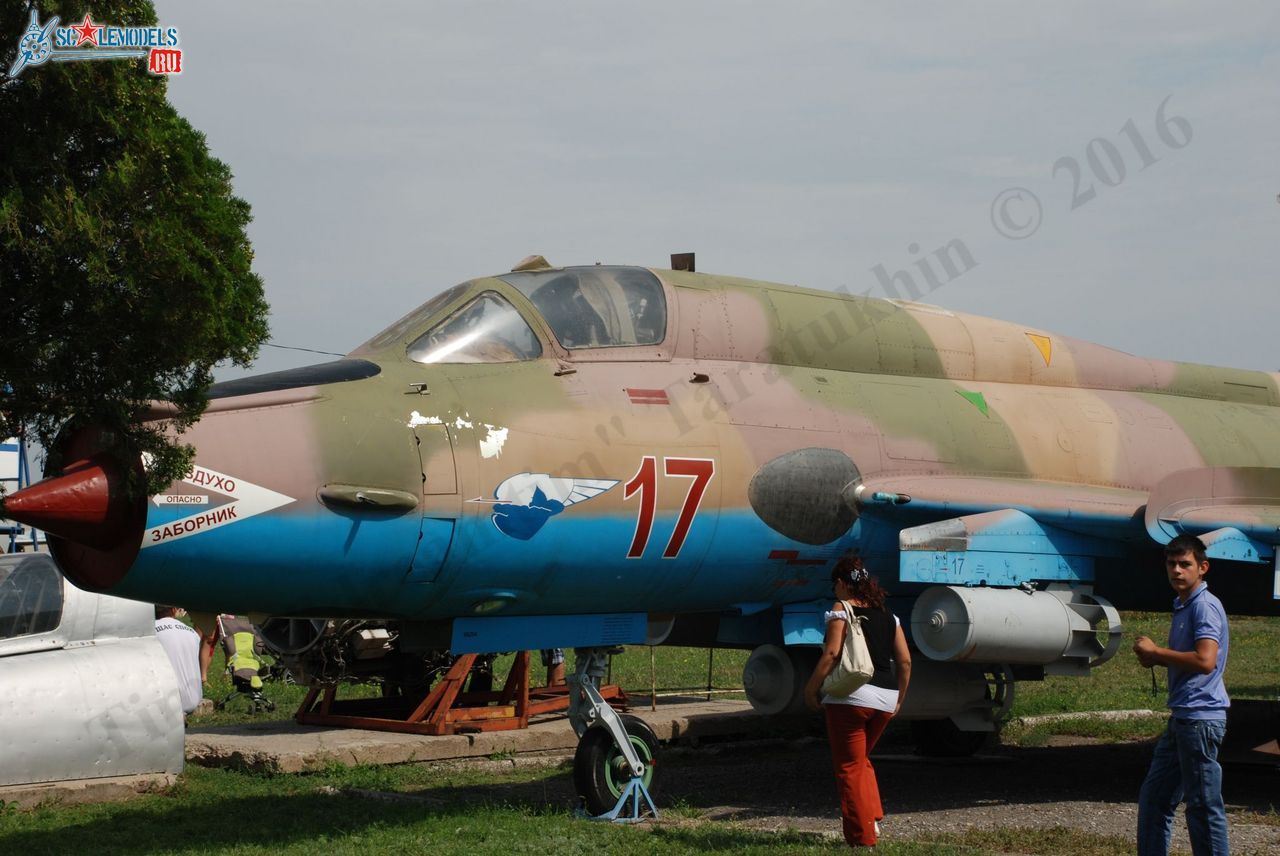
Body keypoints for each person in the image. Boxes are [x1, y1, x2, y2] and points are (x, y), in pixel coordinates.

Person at [1133, 534, 1231, 856]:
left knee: (1202, 807)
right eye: (1171, 564)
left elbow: (1205, 660)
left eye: (1185, 564)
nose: (1177, 570)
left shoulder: (1204, 606)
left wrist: (1157, 653)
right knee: (1155, 799)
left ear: (1203, 567)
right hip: (1184, 718)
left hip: (1200, 721)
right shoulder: (1184, 604)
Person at [805, 556, 911, 849]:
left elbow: (831, 654)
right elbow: (904, 660)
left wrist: (811, 690)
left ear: (841, 583)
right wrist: (900, 697)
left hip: (851, 696)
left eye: (834, 585)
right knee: (861, 759)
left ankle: (861, 838)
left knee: (848, 768)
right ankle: (873, 815)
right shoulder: (890, 616)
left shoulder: (841, 609)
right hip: (886, 698)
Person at [154, 605, 203, 716]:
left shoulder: (151, 631)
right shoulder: (192, 632)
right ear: (173, 610)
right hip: (193, 699)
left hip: (166, 701)